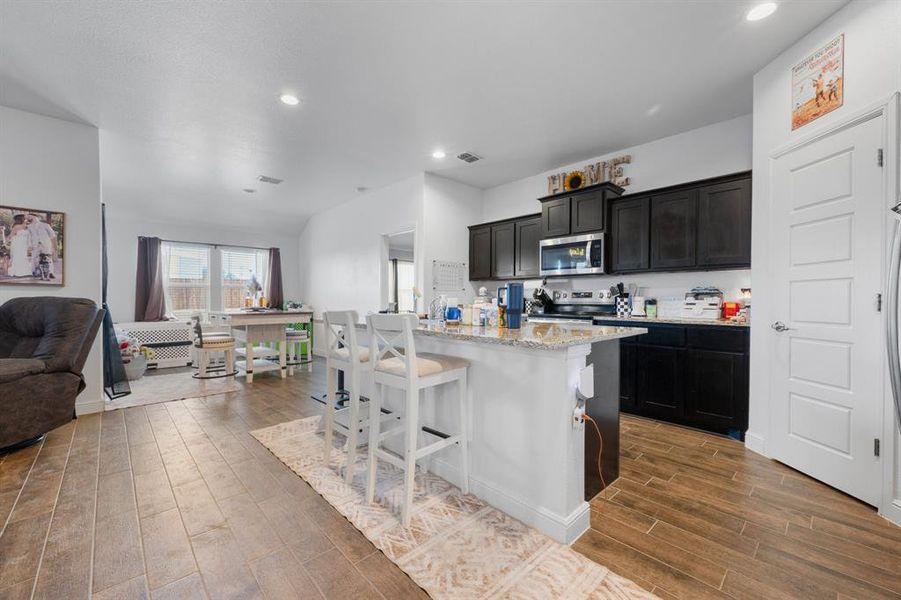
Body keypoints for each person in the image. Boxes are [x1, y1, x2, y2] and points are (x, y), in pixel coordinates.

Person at [26, 213, 57, 279]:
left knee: (48, 258)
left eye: (30, 216)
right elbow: (29, 237)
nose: (28, 218)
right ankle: (34, 272)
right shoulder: (29, 227)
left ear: (35, 216)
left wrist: (54, 246)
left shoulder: (45, 225)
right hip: (35, 245)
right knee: (34, 258)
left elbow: (52, 235)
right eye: (28, 217)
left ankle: (50, 272)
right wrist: (29, 245)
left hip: (45, 244)